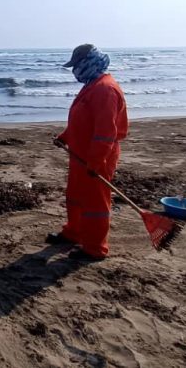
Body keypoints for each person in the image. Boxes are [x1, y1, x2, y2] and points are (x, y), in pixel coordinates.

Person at [48, 44, 128, 261]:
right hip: (80, 154)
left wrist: (95, 161)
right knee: (75, 196)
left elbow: (105, 133)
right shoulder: (92, 85)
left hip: (97, 157)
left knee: (95, 204)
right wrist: (65, 137)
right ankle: (73, 233)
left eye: (77, 66)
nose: (75, 71)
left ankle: (94, 248)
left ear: (89, 63)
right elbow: (83, 121)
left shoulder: (105, 90)